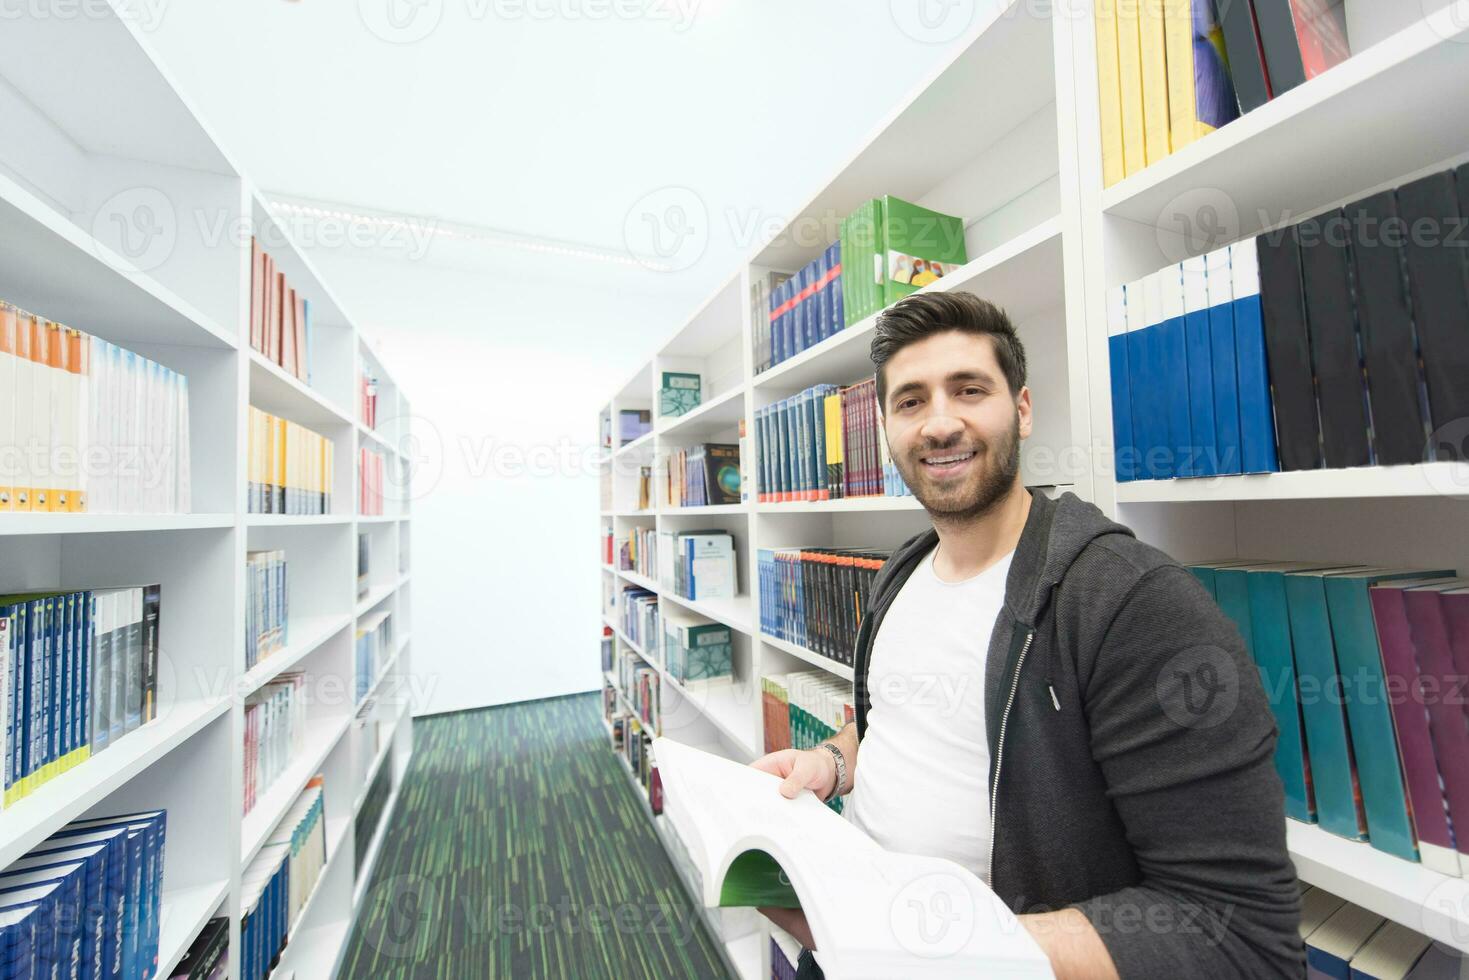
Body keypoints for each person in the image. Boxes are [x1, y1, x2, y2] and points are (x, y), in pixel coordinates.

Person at [751, 291, 1302, 979]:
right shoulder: (900, 569)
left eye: (969, 389)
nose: (938, 424)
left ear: (1022, 409)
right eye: (910, 401)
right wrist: (829, 762)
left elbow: (1236, 937)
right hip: (847, 949)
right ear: (887, 429)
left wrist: (935, 943)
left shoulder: (1132, 603)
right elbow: (901, 722)